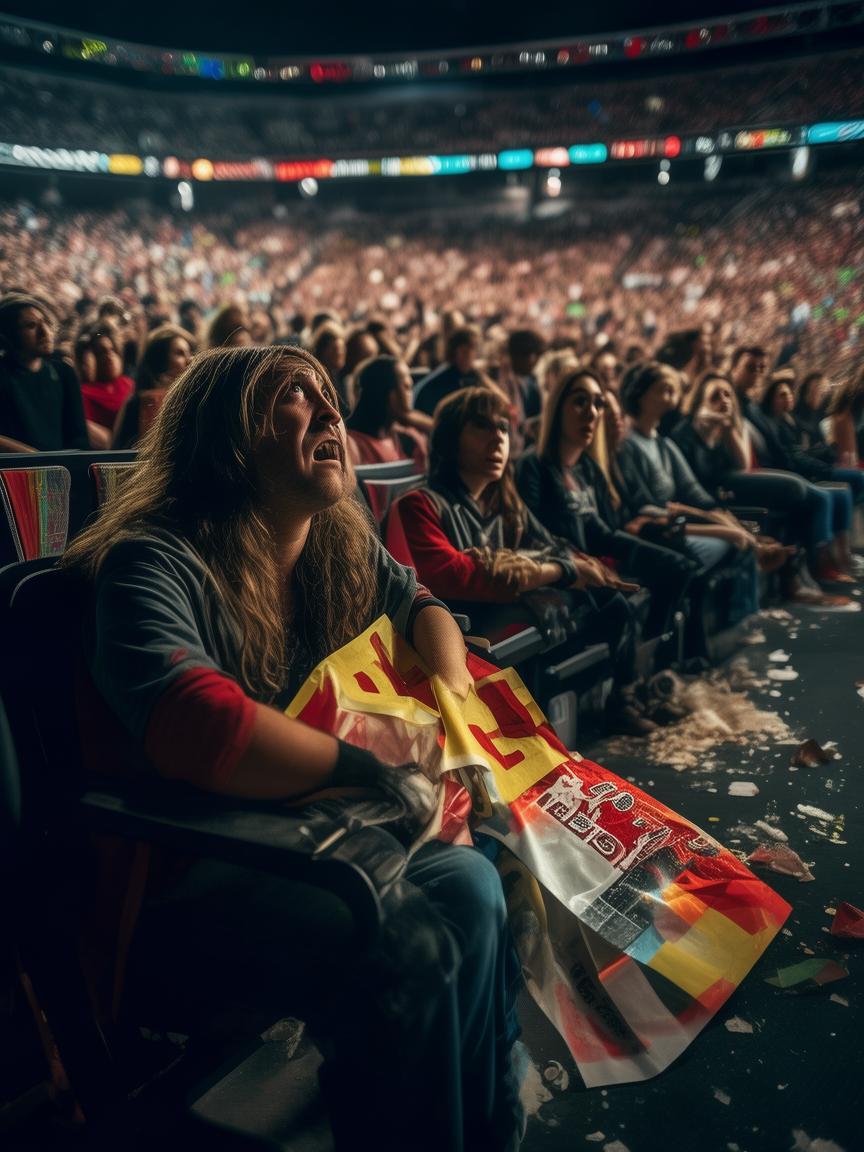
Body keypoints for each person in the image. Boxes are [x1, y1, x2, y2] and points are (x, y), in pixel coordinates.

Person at [63, 346, 522, 1152]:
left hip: (309, 834)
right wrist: (371, 775)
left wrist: (455, 698)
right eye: (296, 397)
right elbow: (195, 720)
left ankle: (480, 1132)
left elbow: (424, 604)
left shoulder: (331, 543)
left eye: (329, 395)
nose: (331, 411)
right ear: (227, 434)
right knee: (411, 930)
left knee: (476, 884)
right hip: (190, 865)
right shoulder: (153, 559)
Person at [385, 385, 656, 735]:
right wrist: (563, 571)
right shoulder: (419, 503)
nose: (497, 439)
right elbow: (452, 576)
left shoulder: (504, 503)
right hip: (455, 630)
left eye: (502, 428)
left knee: (612, 600)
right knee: (589, 600)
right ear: (452, 439)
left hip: (508, 607)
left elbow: (553, 544)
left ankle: (618, 703)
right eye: (482, 426)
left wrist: (584, 567)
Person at [517, 368, 695, 640]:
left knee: (680, 567)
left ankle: (654, 653)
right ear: (557, 408)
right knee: (618, 605)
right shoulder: (534, 466)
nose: (591, 412)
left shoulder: (588, 468)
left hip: (593, 561)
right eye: (580, 401)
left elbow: (603, 532)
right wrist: (586, 563)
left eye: (598, 403)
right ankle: (629, 677)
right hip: (563, 570)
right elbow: (534, 536)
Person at [616, 362, 760, 627]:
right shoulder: (628, 445)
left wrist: (720, 515)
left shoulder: (663, 443)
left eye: (672, 389)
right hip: (661, 528)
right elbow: (644, 506)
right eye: (663, 389)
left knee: (741, 539)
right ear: (640, 395)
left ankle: (734, 623)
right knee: (726, 544)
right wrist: (716, 525)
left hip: (680, 521)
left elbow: (693, 490)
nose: (671, 395)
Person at [0, 292, 90, 453]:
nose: (44, 331)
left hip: (59, 472)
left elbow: (79, 439)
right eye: (31, 325)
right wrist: (37, 458)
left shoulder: (63, 372)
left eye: (45, 322)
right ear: (8, 334)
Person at [113, 324, 196, 449]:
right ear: (160, 363)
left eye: (189, 352)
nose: (190, 359)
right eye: (180, 353)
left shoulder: (192, 399)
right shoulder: (139, 403)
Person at [345, 355, 428, 472]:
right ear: (391, 395)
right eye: (407, 386)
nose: (411, 391)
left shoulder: (408, 438)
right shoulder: (350, 444)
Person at [79, 325, 136, 443]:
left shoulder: (129, 383)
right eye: (101, 352)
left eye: (112, 350)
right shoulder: (84, 393)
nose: (109, 356)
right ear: (90, 359)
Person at [413, 326, 483, 417]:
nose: (470, 354)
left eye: (473, 349)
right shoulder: (443, 379)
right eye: (465, 350)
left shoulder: (473, 375)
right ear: (455, 351)